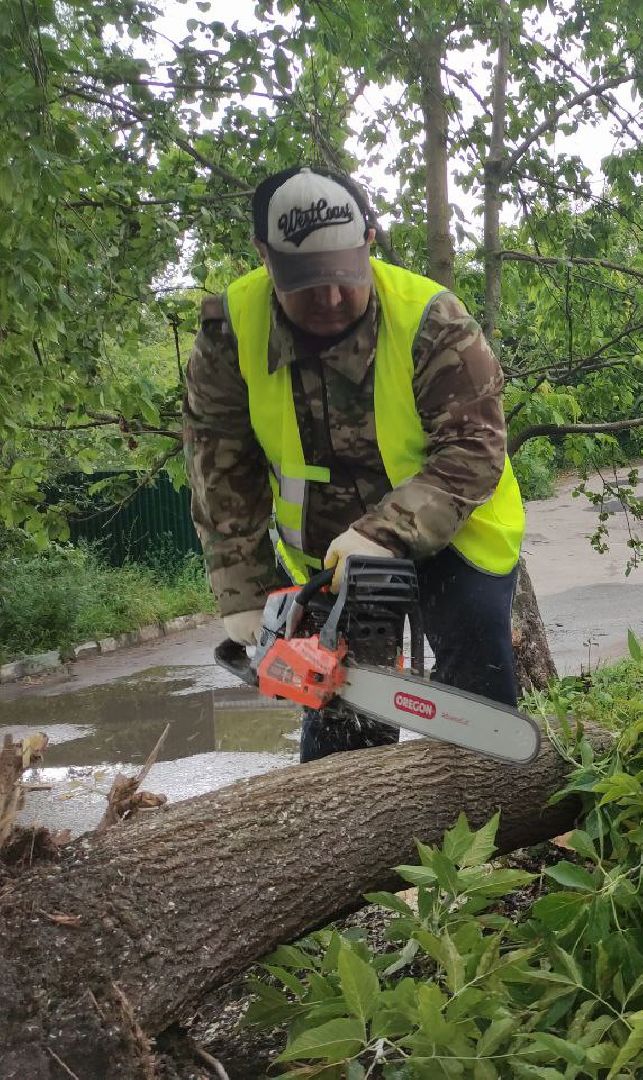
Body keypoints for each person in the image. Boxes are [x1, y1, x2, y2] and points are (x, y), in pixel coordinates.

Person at [183, 165, 525, 762]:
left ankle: (491, 796)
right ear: (265, 257)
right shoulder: (231, 333)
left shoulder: (431, 319)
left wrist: (385, 533)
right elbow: (220, 469)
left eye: (344, 276)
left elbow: (474, 449)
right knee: (340, 721)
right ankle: (345, 812)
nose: (332, 299)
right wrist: (245, 594)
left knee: (477, 663)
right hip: (331, 557)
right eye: (308, 284)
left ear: (368, 240)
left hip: (455, 532)